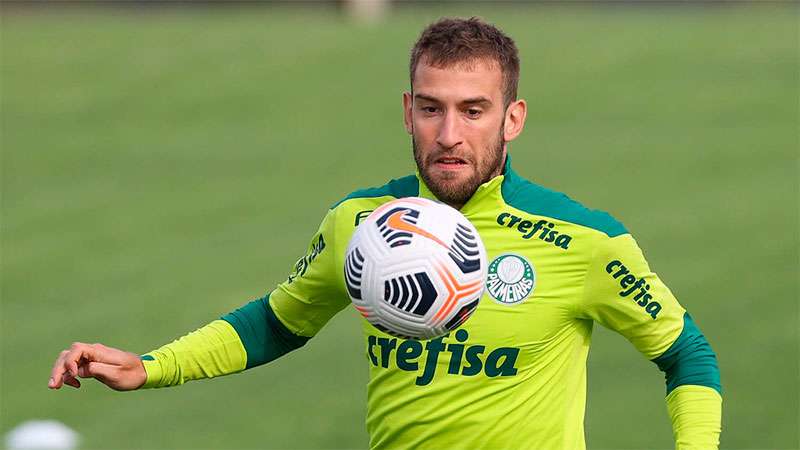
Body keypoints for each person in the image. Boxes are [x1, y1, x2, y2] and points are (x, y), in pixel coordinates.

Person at [49, 17, 722, 449]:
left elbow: (687, 354)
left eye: (473, 111)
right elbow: (278, 322)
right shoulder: (362, 224)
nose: (449, 134)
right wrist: (151, 366)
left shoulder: (583, 240)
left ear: (513, 119)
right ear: (407, 111)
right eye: (431, 109)